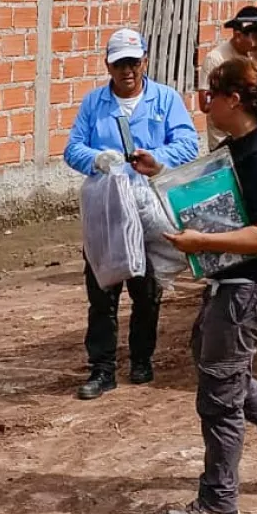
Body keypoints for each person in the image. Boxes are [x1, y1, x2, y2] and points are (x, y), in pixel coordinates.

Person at [134, 57, 257, 514]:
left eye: (210, 96)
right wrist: (160, 170)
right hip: (235, 284)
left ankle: (219, 503)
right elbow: (216, 197)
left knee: (220, 393)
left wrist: (201, 242)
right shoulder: (241, 146)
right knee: (219, 365)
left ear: (233, 100)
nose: (205, 105)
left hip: (250, 289)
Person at [64, 28, 199, 400]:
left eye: (133, 62)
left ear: (145, 61)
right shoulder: (94, 103)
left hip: (149, 203)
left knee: (146, 289)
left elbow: (188, 143)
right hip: (107, 206)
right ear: (108, 65)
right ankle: (102, 368)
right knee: (103, 289)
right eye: (119, 63)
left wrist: (160, 160)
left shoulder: (165, 100)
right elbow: (72, 147)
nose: (128, 70)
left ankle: (142, 359)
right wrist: (96, 159)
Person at [198, 6, 257, 152]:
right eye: (254, 37)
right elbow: (205, 104)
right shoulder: (216, 59)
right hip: (223, 144)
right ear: (238, 35)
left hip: (252, 140)